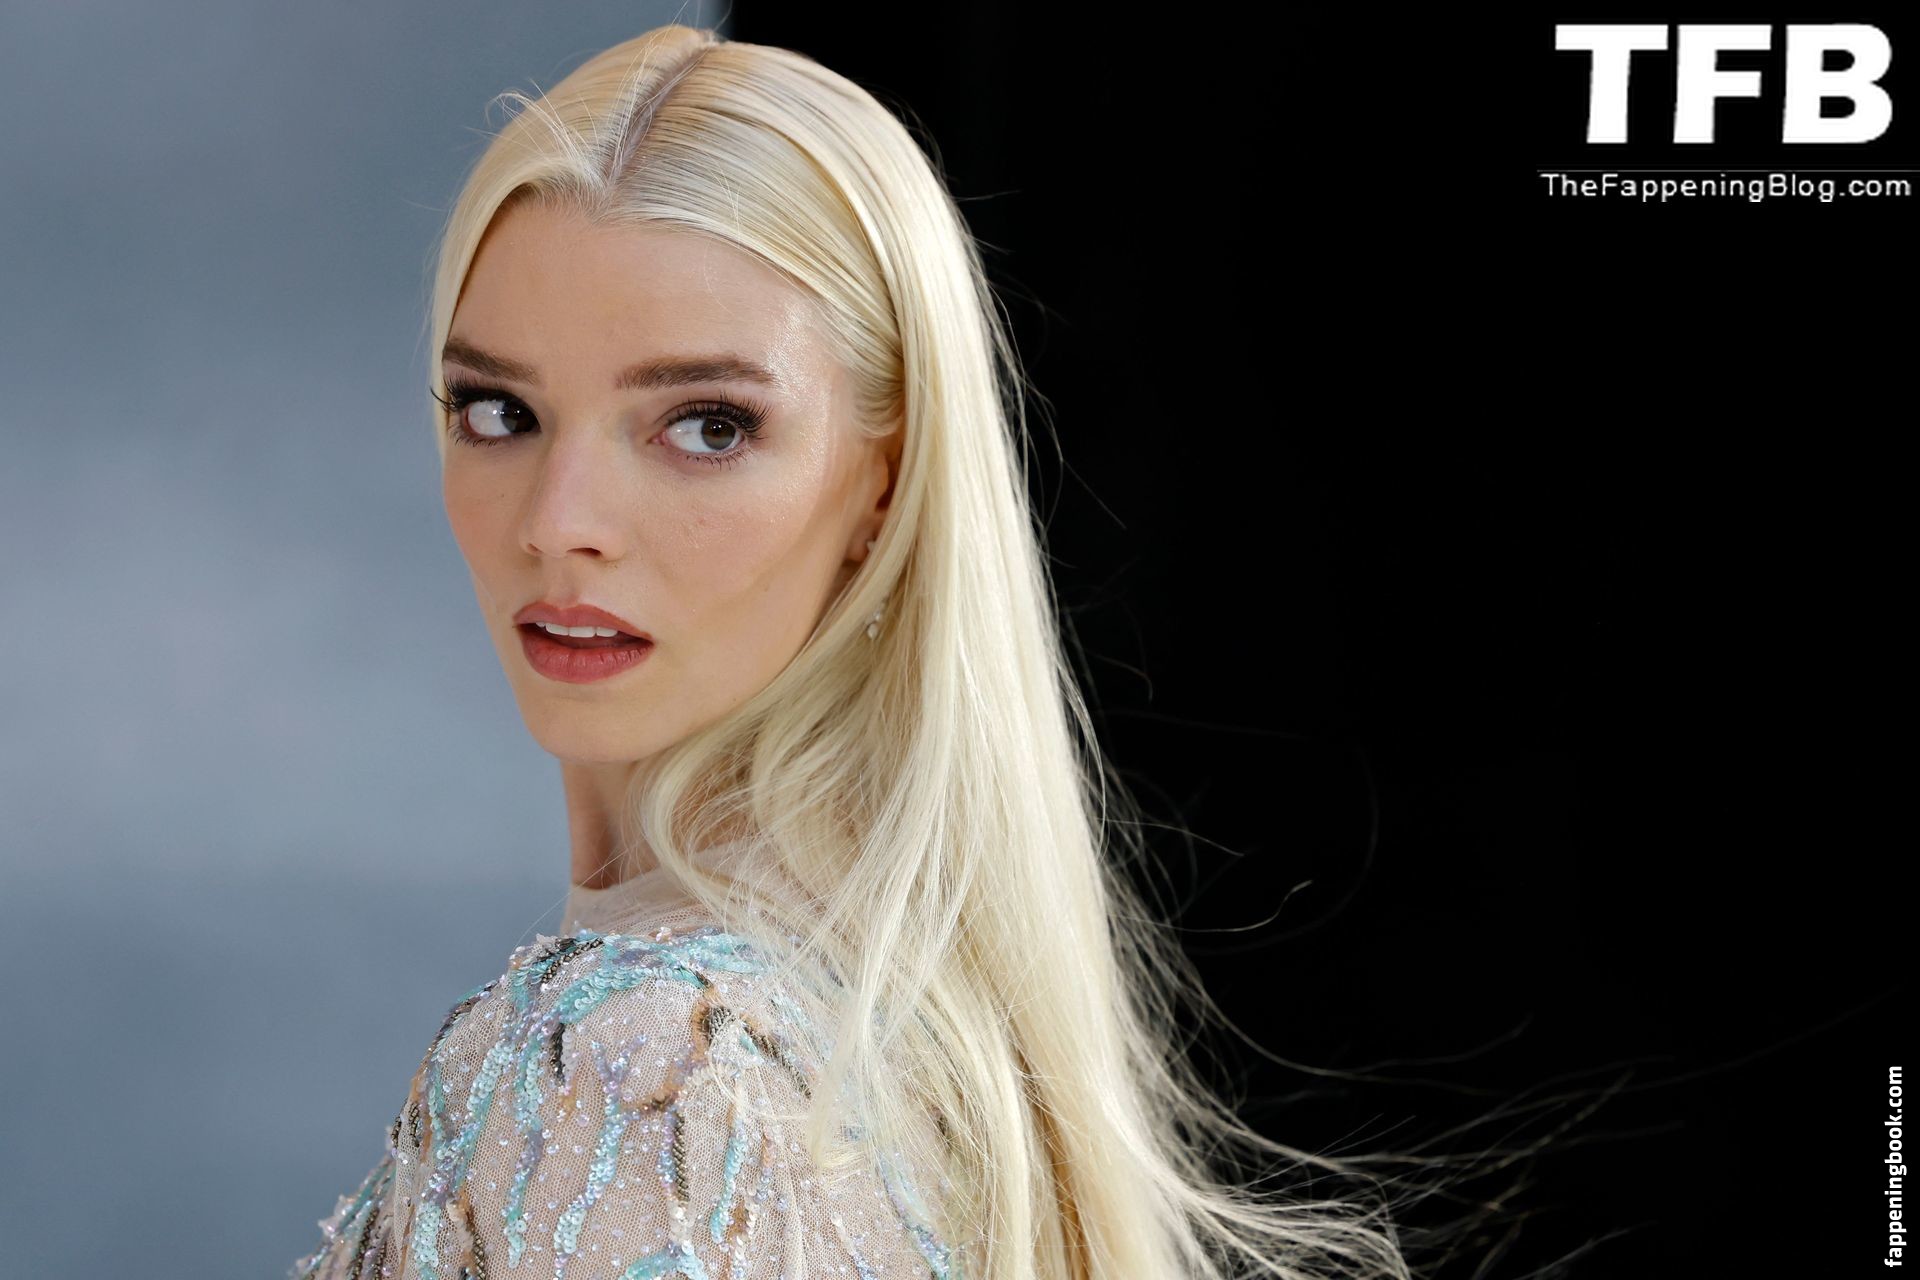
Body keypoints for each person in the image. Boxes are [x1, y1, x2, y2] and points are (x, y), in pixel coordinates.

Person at [290, 24, 1412, 1280]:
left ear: (886, 477)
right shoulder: (926, 1045)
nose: (560, 522)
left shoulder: (640, 1064)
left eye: (707, 425)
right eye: (500, 411)